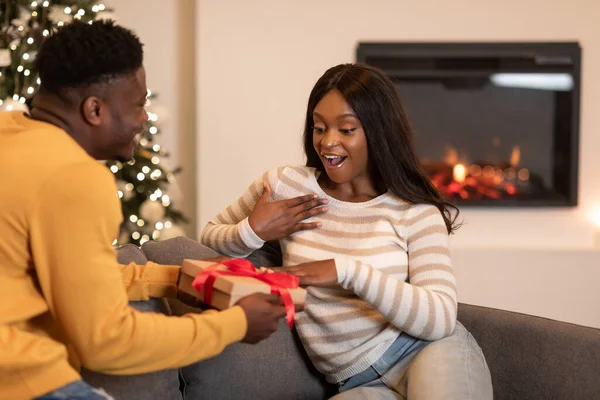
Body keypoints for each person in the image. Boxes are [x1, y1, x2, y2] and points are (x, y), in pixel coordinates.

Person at [0, 20, 287, 400]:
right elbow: (106, 341)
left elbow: (75, 279)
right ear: (94, 110)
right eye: (139, 104)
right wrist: (236, 324)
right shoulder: (73, 177)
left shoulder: (11, 133)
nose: (145, 118)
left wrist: (177, 279)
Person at [200, 63, 493, 399]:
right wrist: (254, 229)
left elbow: (440, 317)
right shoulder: (286, 185)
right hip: (357, 383)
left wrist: (346, 272)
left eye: (347, 129)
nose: (328, 142)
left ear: (378, 132)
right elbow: (209, 236)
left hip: (429, 352)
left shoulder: (415, 210)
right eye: (319, 127)